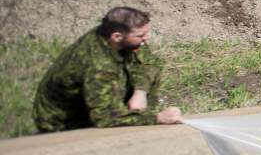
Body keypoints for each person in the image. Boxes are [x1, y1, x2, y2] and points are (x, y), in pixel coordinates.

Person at [33, 7, 182, 132]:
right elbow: (105, 117)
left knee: (150, 75)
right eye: (140, 35)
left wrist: (140, 92)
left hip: (93, 102)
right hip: (64, 122)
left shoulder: (118, 38)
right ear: (116, 37)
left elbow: (147, 63)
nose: (146, 38)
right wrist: (156, 118)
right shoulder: (98, 65)